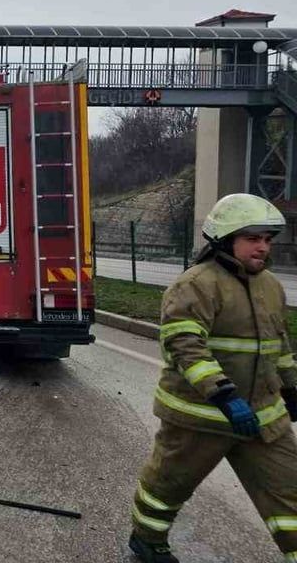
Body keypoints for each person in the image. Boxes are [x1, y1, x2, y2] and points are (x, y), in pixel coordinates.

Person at [127, 193, 297, 563]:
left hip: (264, 418)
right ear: (225, 238)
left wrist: (291, 385)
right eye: (253, 238)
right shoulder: (196, 284)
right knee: (167, 487)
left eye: (267, 239)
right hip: (199, 417)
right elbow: (184, 344)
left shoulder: (270, 286)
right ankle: (147, 540)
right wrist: (223, 395)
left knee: (290, 492)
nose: (263, 247)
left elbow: (278, 343)